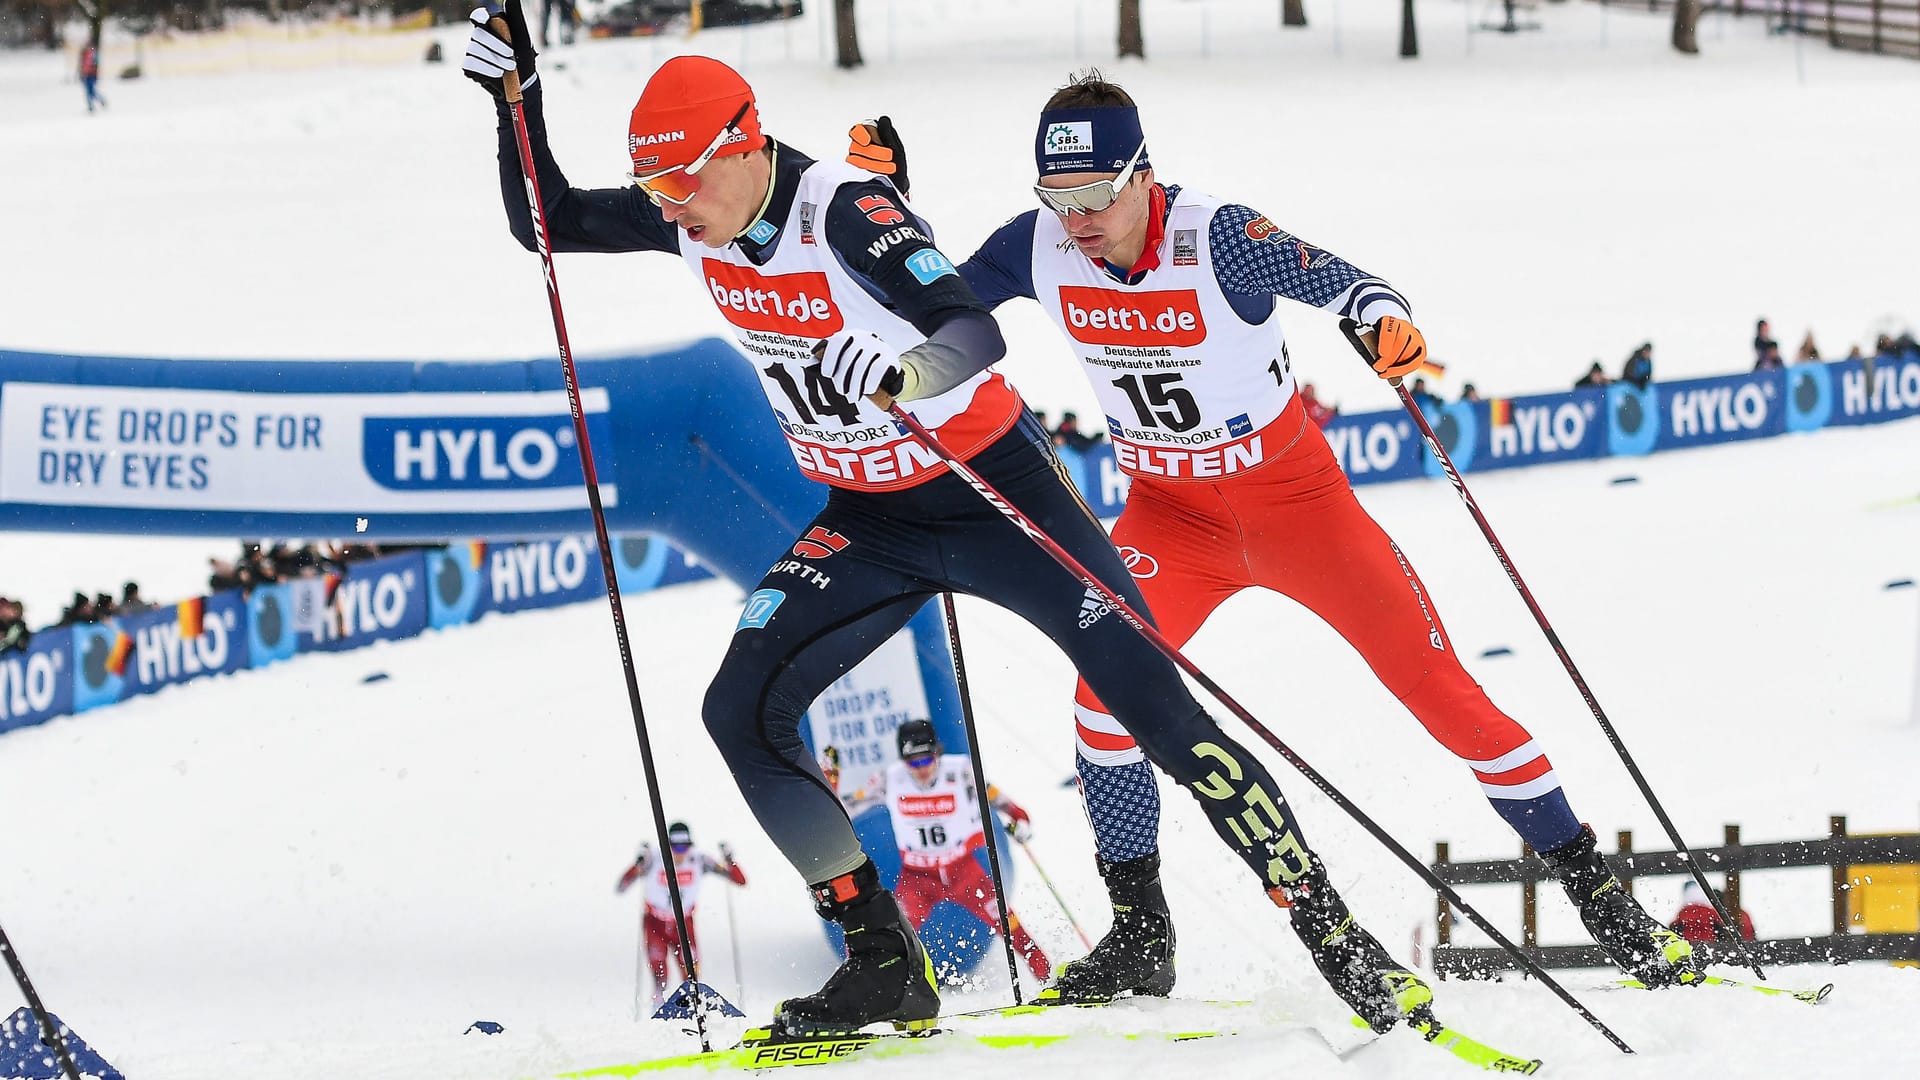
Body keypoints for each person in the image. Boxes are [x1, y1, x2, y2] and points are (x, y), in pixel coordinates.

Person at [464, 17, 1415, 1037]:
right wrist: (516, 101)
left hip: (997, 494)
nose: (672, 211)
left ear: (744, 142)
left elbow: (971, 324)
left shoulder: (847, 211)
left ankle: (1334, 935)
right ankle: (883, 962)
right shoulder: (694, 214)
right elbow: (547, 221)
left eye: (685, 185)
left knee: (1157, 708)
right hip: (869, 521)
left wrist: (902, 376)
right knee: (738, 710)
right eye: (658, 193)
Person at [845, 70, 1702, 998]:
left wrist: (1384, 325)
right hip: (1172, 518)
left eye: (1096, 195)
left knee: (1443, 694)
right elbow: (933, 308)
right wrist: (887, 217)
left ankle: (1609, 910)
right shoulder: (1037, 243)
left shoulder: (1215, 237)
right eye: (1058, 197)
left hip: (1299, 508)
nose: (1078, 219)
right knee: (1103, 703)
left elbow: (1348, 285)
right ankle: (1141, 934)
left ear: (1143, 175)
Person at [843, 720, 1050, 981]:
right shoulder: (889, 778)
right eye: (913, 763)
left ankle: (1048, 976)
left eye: (927, 759)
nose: (922, 769)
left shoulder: (961, 771)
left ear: (937, 752)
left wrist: (1020, 821)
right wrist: (830, 787)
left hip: (963, 871)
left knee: (1009, 923)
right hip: (918, 878)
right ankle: (858, 988)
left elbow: (1004, 803)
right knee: (892, 933)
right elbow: (849, 808)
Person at [616, 822, 748, 1010]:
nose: (679, 852)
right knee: (659, 969)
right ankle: (658, 1005)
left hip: (683, 924)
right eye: (674, 846)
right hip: (655, 922)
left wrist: (729, 859)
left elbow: (739, 880)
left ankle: (692, 1006)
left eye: (684, 846)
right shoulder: (653, 858)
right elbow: (622, 886)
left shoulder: (699, 859)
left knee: (691, 969)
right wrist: (637, 864)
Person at [1670, 881, 1753, 945]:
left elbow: (1674, 927)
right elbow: (1721, 928)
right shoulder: (1710, 912)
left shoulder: (1683, 913)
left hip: (1690, 947)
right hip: (1710, 947)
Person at [78, 40, 106, 113]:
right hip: (86, 75)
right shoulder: (84, 54)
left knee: (91, 91)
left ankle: (100, 100)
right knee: (88, 91)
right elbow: (82, 65)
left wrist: (94, 73)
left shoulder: (93, 54)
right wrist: (81, 74)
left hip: (91, 75)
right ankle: (91, 105)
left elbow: (95, 65)